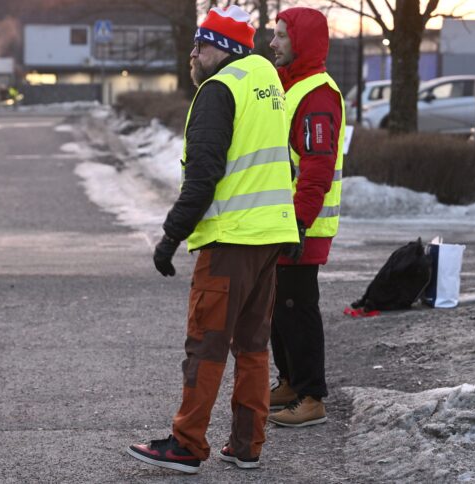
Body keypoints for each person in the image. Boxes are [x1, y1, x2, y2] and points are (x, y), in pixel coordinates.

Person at [127, 6, 298, 474]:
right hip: (270, 237)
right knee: (253, 346)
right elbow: (285, 163)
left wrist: (169, 237)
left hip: (230, 240)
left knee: (206, 344)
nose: (193, 54)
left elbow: (203, 176)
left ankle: (186, 444)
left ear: (220, 48)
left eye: (199, 45)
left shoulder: (219, 89)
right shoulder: (268, 85)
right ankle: (247, 445)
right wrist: (292, 226)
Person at [266, 8, 345, 428]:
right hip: (287, 220)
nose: (273, 43)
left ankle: (313, 396)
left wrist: (298, 222)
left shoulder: (316, 94)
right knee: (280, 307)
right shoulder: (291, 86)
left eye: (281, 36)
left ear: (303, 42)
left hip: (304, 225)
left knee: (298, 308)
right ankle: (291, 381)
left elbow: (316, 167)